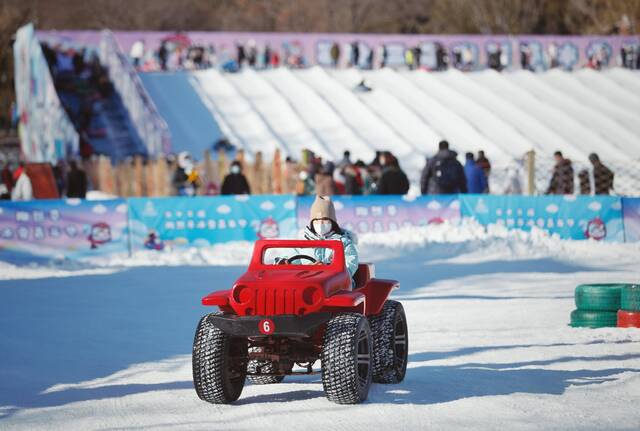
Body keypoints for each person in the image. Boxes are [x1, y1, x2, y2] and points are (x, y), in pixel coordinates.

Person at [303, 195, 359, 280]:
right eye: (317, 220)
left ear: (332, 222)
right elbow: (290, 260)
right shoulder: (303, 243)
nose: (321, 224)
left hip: (337, 285)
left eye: (325, 219)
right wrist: (284, 262)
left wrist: (329, 270)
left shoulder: (344, 243)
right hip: (307, 281)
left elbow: (350, 264)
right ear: (312, 223)